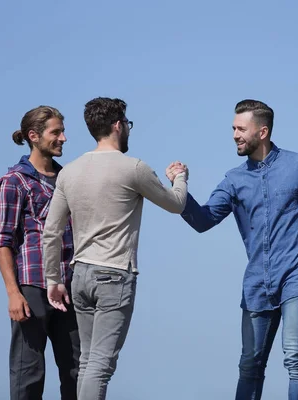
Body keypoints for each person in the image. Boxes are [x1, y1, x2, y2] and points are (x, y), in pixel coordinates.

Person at [166, 99, 298, 400]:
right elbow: (203, 220)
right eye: (233, 128)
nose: (234, 134)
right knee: (250, 366)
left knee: (295, 357)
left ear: (263, 131)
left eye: (241, 129)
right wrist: (181, 186)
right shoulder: (234, 180)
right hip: (257, 284)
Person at [42, 97, 188, 400]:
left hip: (79, 274)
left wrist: (52, 280)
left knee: (86, 362)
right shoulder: (133, 168)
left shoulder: (69, 171)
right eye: (127, 125)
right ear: (118, 125)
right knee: (100, 364)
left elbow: (52, 231)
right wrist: (180, 179)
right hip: (114, 274)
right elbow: (175, 205)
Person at [0, 106, 79, 400]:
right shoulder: (14, 182)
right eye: (56, 132)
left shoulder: (69, 180)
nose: (64, 138)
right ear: (34, 136)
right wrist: (13, 293)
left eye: (63, 132)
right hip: (32, 287)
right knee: (28, 373)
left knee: (77, 373)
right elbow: (3, 241)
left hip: (69, 286)